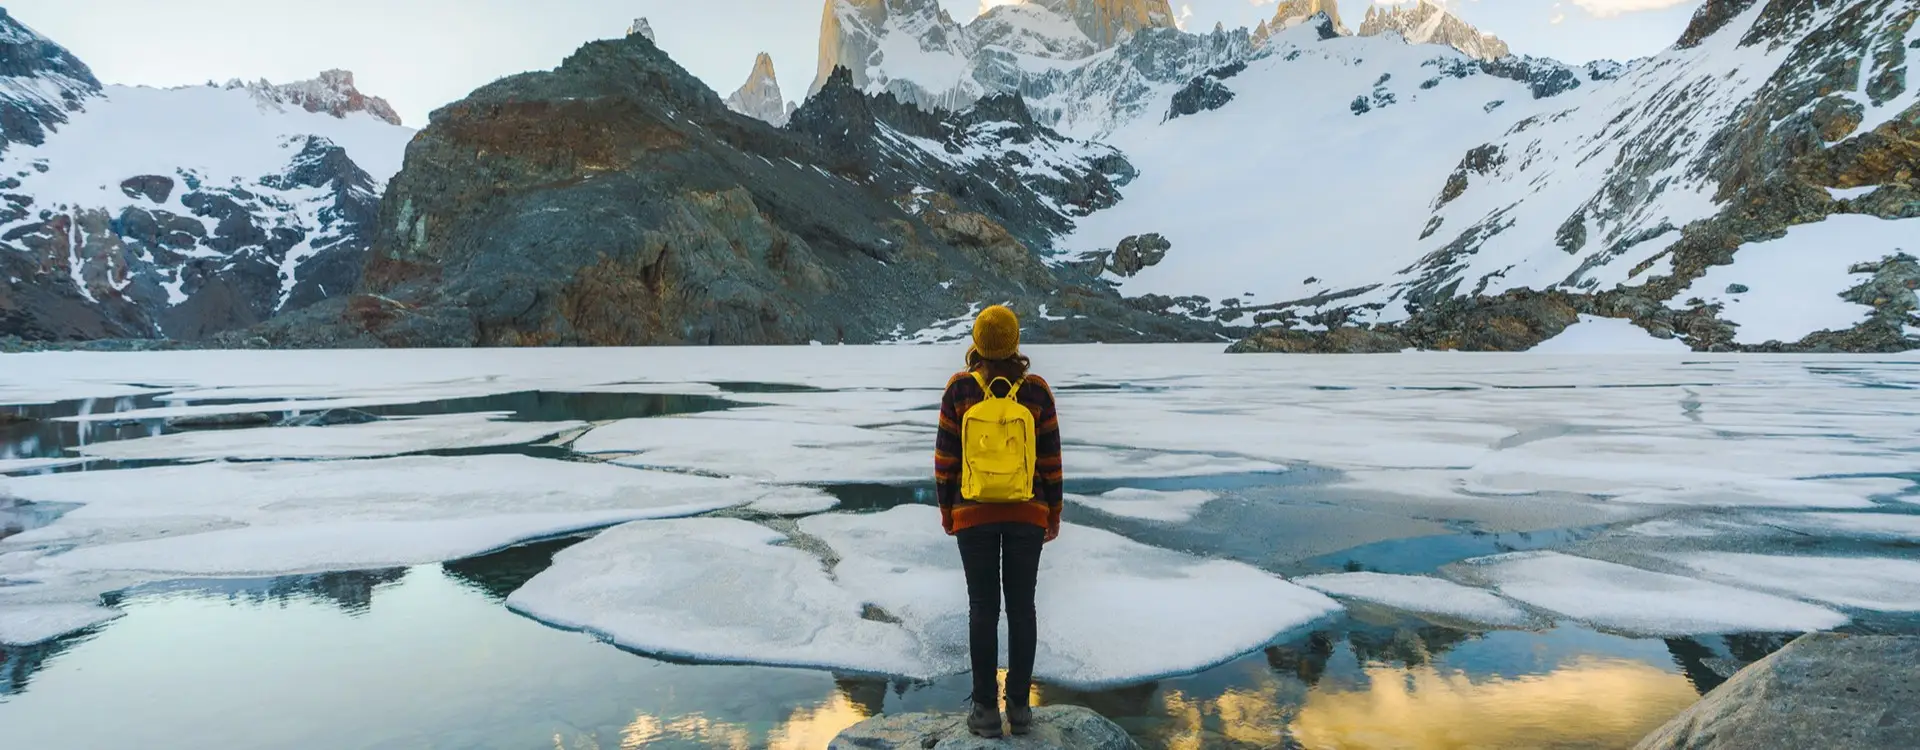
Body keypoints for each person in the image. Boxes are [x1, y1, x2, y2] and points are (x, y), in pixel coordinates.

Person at [934, 305, 1064, 738]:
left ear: (977, 342)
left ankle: (986, 712)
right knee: (1022, 607)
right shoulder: (1037, 392)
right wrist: (1053, 511)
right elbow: (1050, 461)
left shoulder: (958, 390)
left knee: (982, 608)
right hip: (1028, 512)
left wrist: (947, 509)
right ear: (1015, 343)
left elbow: (945, 460)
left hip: (972, 514)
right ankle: (1021, 710)